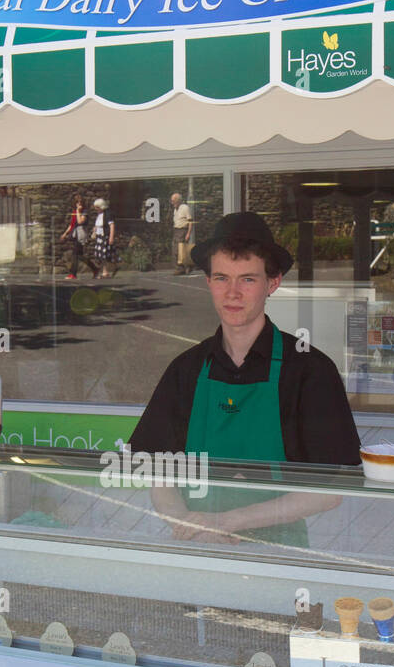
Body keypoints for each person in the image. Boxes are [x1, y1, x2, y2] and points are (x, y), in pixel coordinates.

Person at [128, 211, 360, 544]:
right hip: (201, 551)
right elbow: (159, 477)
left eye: (247, 279)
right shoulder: (186, 370)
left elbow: (328, 492)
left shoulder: (310, 371)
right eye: (222, 278)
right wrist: (191, 526)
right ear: (208, 282)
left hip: (280, 559)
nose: (232, 292)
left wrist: (228, 521)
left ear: (272, 283)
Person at [59, 196, 89, 279]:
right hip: (75, 234)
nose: (79, 204)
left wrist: (78, 211)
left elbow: (80, 221)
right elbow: (72, 224)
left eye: (81, 203)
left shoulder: (84, 212)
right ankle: (95, 269)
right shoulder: (74, 212)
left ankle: (73, 274)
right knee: (79, 255)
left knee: (75, 254)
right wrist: (65, 233)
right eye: (78, 203)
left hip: (81, 234)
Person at [88, 197, 117, 278]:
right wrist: (95, 230)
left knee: (105, 254)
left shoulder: (108, 214)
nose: (96, 209)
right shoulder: (99, 214)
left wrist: (111, 237)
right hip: (99, 237)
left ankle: (107, 271)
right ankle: (105, 271)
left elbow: (112, 226)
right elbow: (98, 225)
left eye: (97, 207)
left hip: (105, 236)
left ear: (101, 206)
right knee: (100, 255)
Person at [170, 192, 193, 274]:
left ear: (178, 200)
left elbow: (190, 221)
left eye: (173, 200)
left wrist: (188, 234)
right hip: (176, 230)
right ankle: (187, 266)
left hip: (183, 230)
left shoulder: (185, 207)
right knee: (176, 250)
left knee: (179, 250)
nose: (172, 202)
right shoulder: (175, 209)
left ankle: (181, 269)